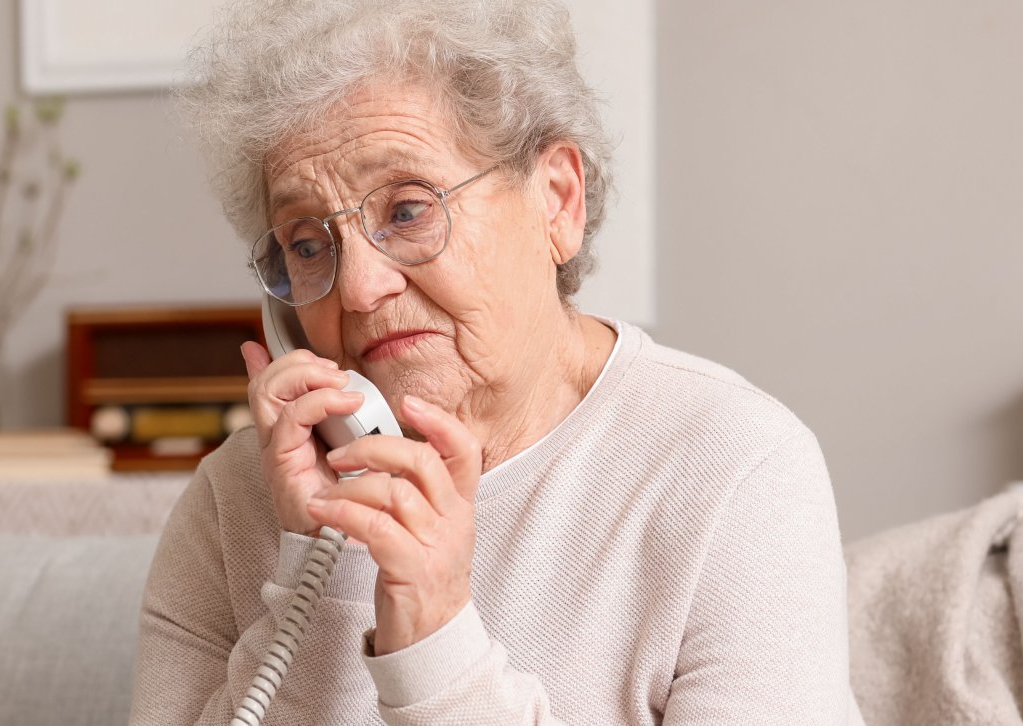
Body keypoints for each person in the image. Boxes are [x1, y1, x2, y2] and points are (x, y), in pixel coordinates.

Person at [129, 1, 864, 724]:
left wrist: (437, 641)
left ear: (558, 201)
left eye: (408, 210)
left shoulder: (735, 473)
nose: (357, 289)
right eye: (309, 243)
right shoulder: (234, 501)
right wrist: (329, 558)